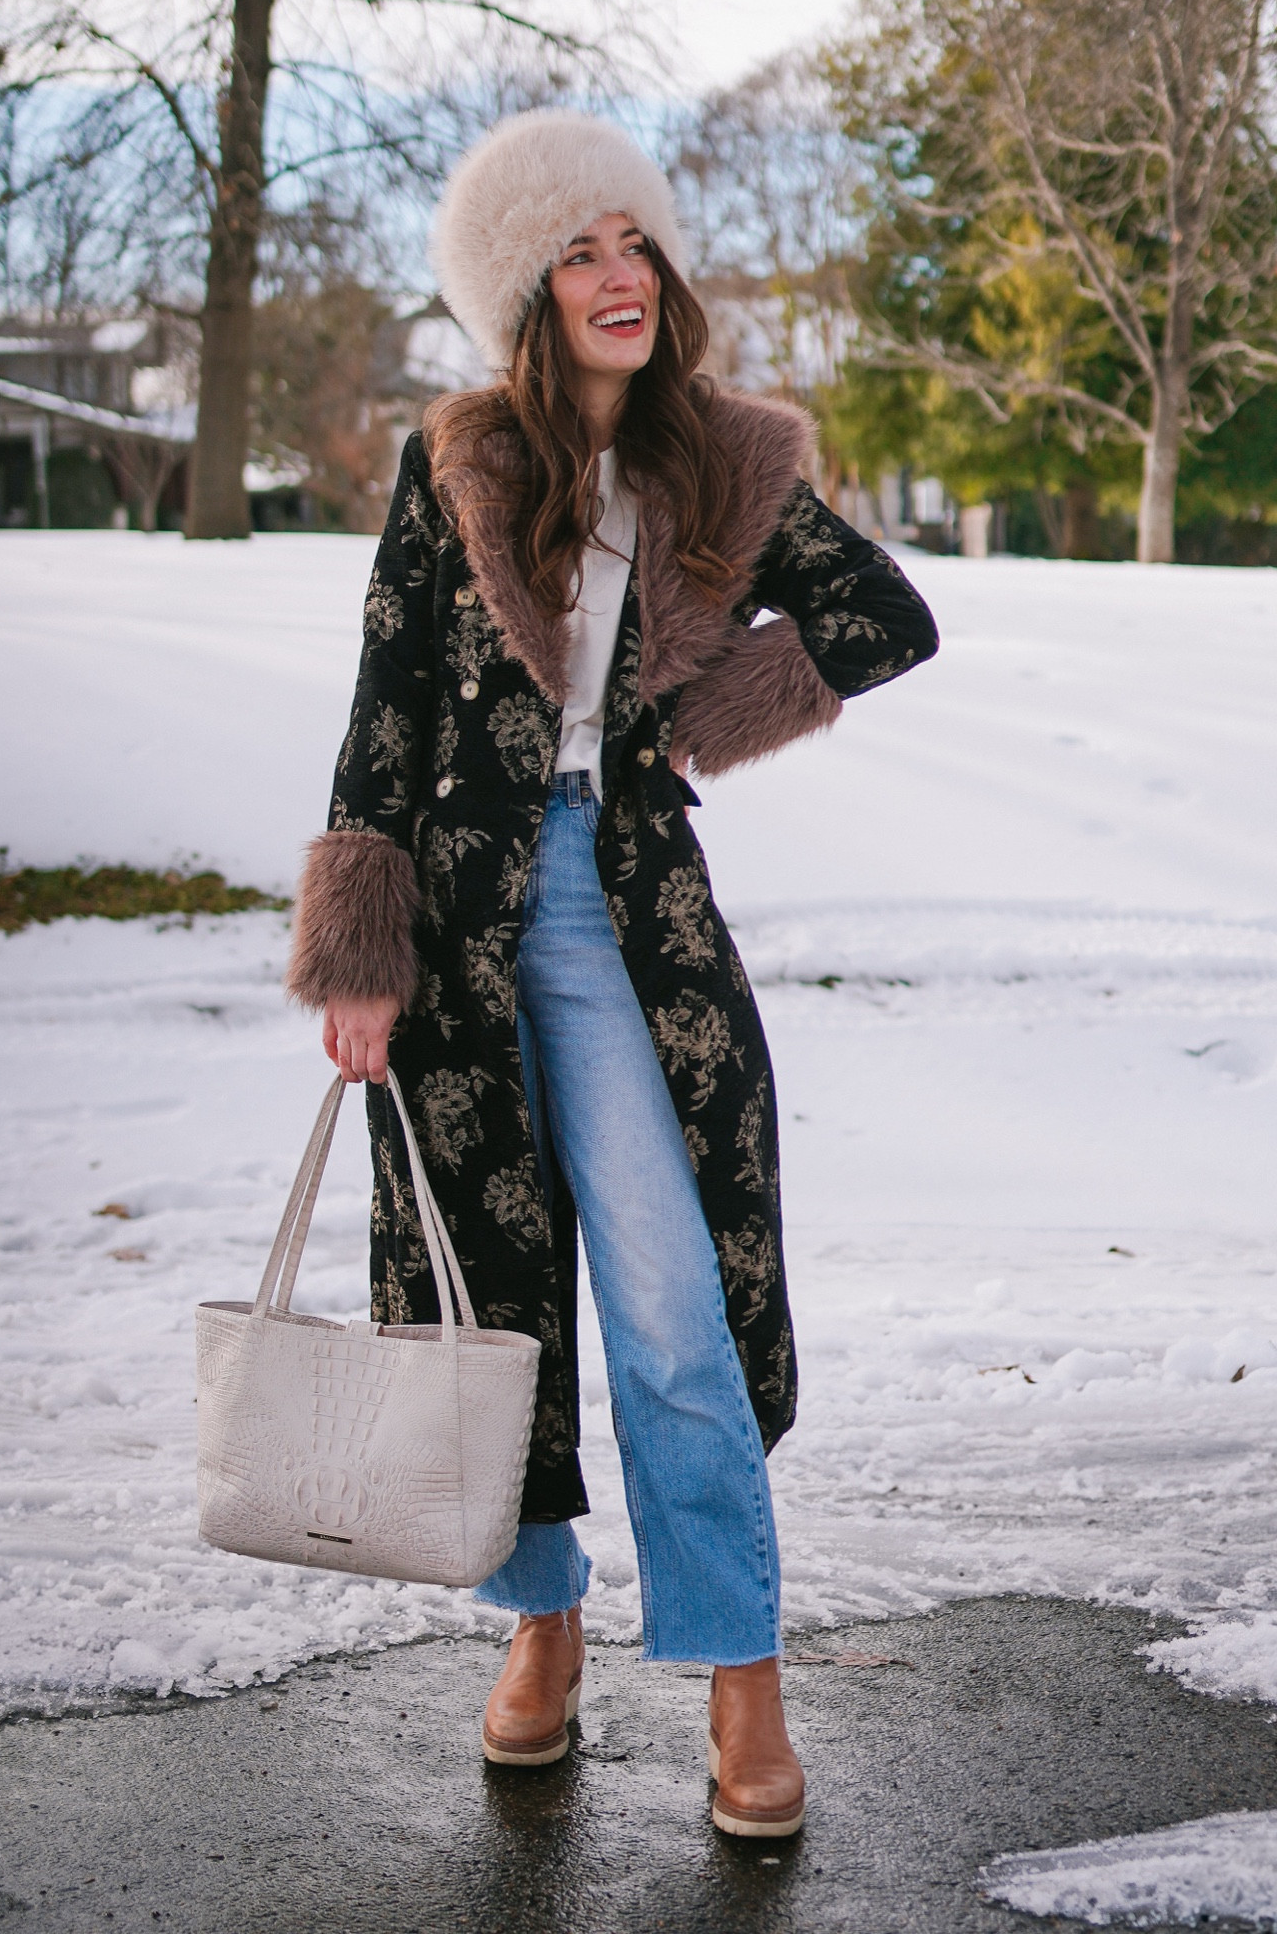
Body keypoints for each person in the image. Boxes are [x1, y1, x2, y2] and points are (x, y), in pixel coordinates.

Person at [285, 109, 938, 1838]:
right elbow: (387, 719)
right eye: (576, 251)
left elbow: (882, 621)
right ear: (525, 288)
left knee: (673, 1312)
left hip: (629, 921)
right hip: (457, 921)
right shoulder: (461, 465)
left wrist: (693, 721)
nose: (616, 274)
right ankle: (544, 1634)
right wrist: (359, 950)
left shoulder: (723, 458)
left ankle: (743, 1683)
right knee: (494, 1306)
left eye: (632, 241)